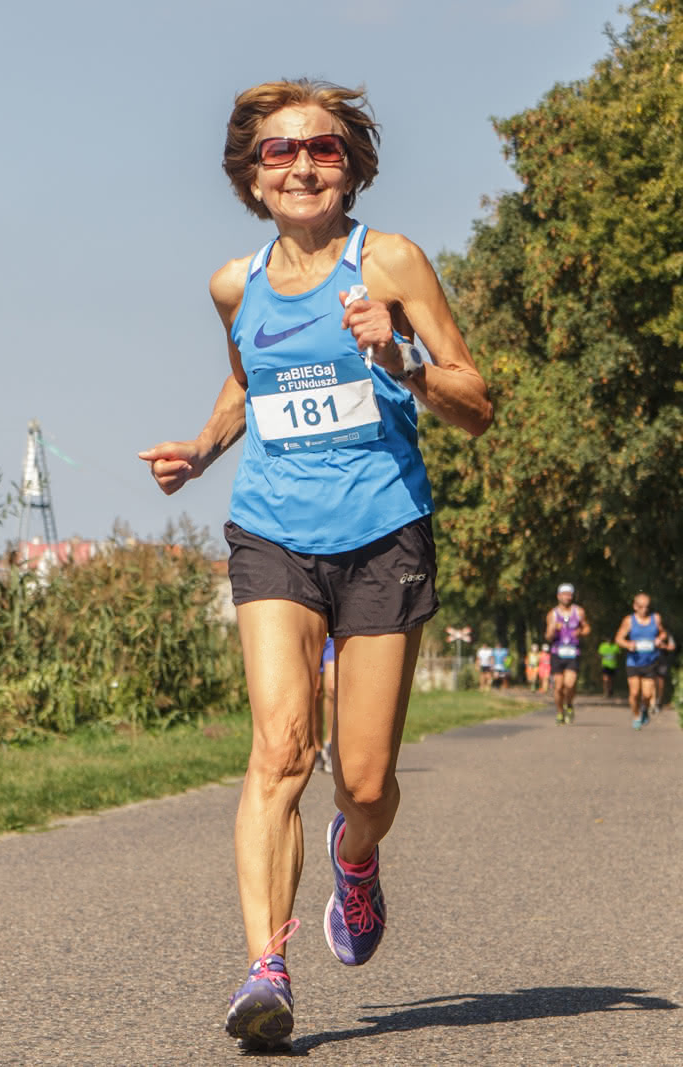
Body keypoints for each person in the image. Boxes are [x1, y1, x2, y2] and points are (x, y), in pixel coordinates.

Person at [137, 78, 492, 1052]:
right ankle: (265, 968)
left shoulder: (391, 261)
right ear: (251, 177)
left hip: (383, 533)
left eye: (321, 149)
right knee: (281, 747)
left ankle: (356, 853)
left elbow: (475, 400)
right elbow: (249, 377)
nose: (301, 165)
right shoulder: (232, 283)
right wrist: (203, 448)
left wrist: (402, 355)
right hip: (272, 533)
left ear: (350, 163)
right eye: (278, 152)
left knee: (364, 778)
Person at [616, 592, 668, 729]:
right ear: (635, 606)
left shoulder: (655, 619)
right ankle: (636, 716)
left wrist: (659, 639)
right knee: (634, 693)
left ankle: (644, 709)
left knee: (647, 694)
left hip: (650, 661)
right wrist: (628, 645)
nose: (644, 609)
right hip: (633, 662)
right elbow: (618, 638)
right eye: (641, 606)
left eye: (646, 607)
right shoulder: (629, 620)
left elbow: (663, 632)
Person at [544, 582, 588, 724]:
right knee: (558, 687)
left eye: (569, 594)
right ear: (558, 596)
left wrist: (580, 632)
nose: (567, 597)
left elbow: (587, 629)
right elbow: (547, 637)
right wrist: (552, 630)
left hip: (573, 653)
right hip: (557, 653)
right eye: (564, 594)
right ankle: (559, 711)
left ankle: (569, 704)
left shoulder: (579, 612)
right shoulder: (552, 614)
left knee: (570, 684)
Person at [314, 636, 336, 774]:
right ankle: (316, 748)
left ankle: (330, 744)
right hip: (311, 628)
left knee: (332, 687)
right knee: (314, 692)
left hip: (331, 634)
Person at [652, 627, 677, 711]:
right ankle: (652, 702)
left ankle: (659, 701)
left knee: (660, 682)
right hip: (650, 661)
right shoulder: (651, 633)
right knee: (651, 681)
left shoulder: (668, 634)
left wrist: (664, 646)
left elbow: (672, 647)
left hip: (663, 661)